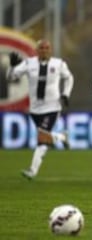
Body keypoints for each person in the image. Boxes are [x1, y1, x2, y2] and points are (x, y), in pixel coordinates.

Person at [7, 39, 74, 179]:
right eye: (41, 48)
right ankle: (62, 136)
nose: (44, 50)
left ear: (50, 50)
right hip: (35, 109)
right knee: (45, 138)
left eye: (47, 48)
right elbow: (11, 77)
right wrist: (11, 67)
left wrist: (66, 94)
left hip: (52, 107)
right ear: (37, 50)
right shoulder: (28, 63)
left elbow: (69, 78)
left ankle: (32, 171)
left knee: (42, 138)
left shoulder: (59, 64)